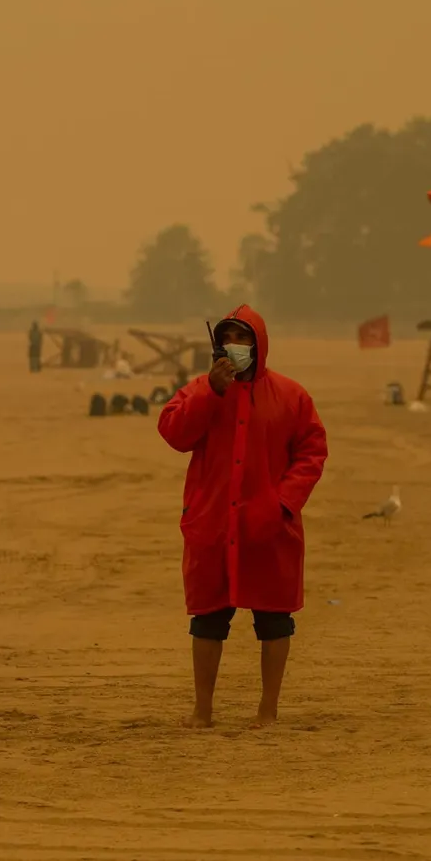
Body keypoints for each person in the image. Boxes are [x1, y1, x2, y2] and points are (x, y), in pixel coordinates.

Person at [157, 304, 328, 730]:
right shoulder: (201, 389)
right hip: (212, 522)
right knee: (208, 619)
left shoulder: (291, 396)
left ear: (259, 344)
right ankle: (202, 711)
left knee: (274, 618)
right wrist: (209, 393)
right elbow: (175, 435)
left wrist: (284, 502)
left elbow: (312, 451)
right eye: (228, 338)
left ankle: (267, 712)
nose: (235, 346)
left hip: (269, 525)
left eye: (243, 338)